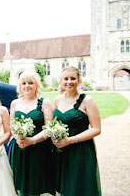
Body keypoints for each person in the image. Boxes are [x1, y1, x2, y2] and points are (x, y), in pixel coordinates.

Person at [52, 66, 101, 195]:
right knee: (65, 186)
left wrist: (70, 140)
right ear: (60, 81)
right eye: (66, 79)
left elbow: (96, 129)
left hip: (81, 149)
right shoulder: (57, 100)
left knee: (80, 186)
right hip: (61, 149)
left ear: (79, 80)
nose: (69, 82)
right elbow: (53, 124)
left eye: (73, 78)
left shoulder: (87, 100)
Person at [8, 71, 56, 195]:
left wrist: (32, 140)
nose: (27, 86)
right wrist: (17, 137)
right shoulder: (15, 103)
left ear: (36, 85)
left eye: (30, 83)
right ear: (20, 86)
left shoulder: (44, 102)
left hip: (39, 148)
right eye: (24, 83)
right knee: (20, 183)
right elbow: (12, 125)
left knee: (36, 185)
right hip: (20, 148)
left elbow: (49, 128)